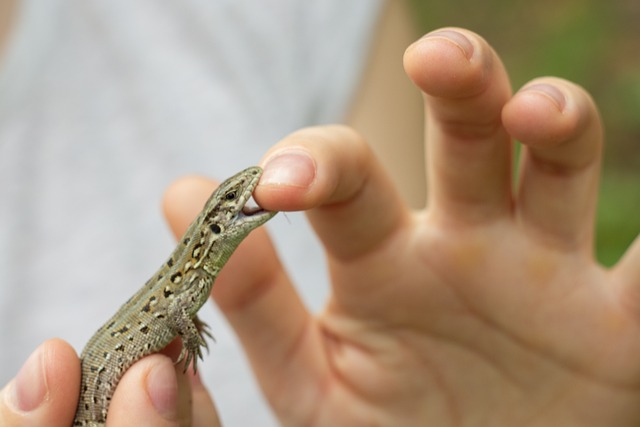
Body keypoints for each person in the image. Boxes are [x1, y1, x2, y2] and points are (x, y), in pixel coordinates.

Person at [2, 5, 640, 427]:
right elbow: (173, 315)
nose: (252, 204)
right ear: (215, 226)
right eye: (236, 204)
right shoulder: (185, 281)